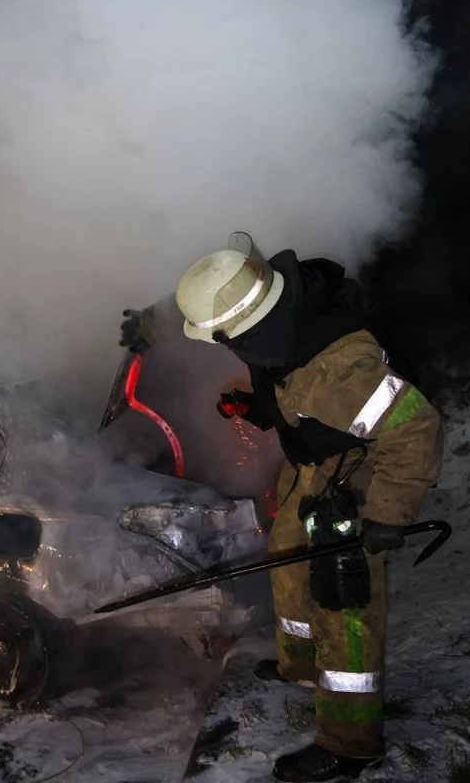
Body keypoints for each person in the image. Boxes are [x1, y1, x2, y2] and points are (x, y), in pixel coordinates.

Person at [120, 232, 444, 782]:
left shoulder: (340, 370)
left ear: (248, 331)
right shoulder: (275, 300)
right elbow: (227, 309)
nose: (223, 349)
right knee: (288, 545)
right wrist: (155, 325)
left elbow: (416, 429)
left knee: (343, 595)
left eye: (225, 341)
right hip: (317, 458)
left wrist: (386, 517)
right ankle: (299, 665)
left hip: (361, 466)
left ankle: (351, 742)